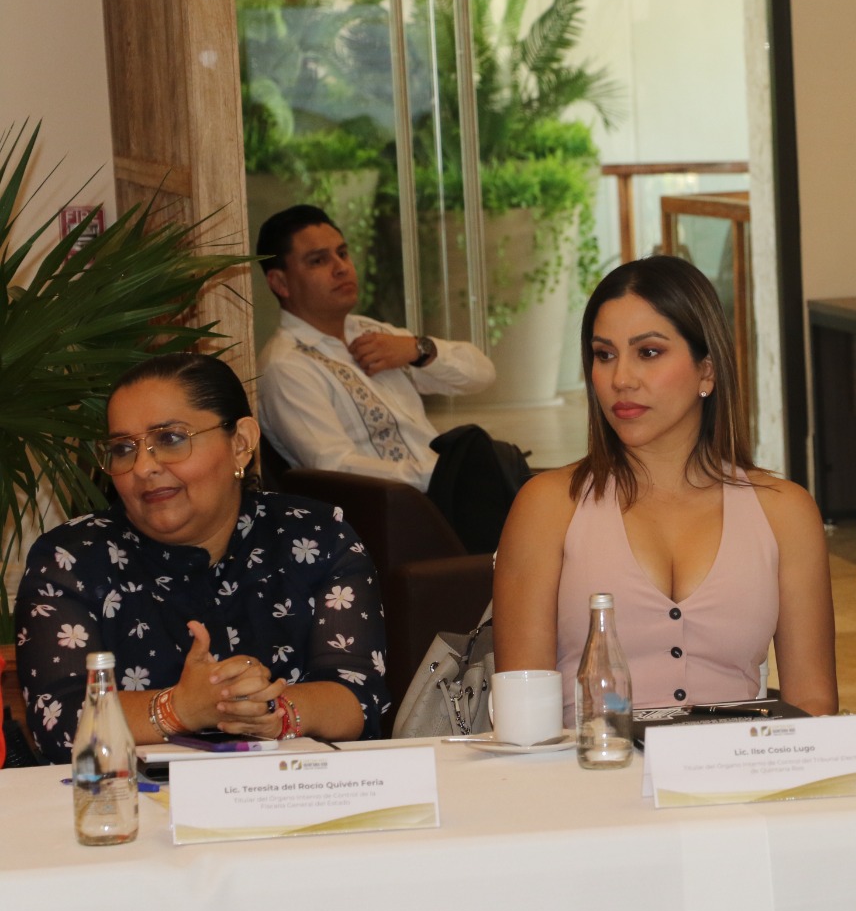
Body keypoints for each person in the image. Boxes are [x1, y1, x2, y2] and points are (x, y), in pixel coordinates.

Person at [492, 256, 838, 721]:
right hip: (587, 763)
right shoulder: (548, 506)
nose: (621, 379)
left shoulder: (785, 511)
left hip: (735, 763)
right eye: (604, 355)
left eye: (649, 352)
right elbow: (523, 715)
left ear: (706, 371)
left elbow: (813, 703)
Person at [14, 353, 388, 763]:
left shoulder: (316, 536)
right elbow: (59, 723)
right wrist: (178, 709)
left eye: (170, 439)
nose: (143, 467)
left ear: (240, 443)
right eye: (123, 448)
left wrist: (273, 712)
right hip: (135, 799)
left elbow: (359, 697)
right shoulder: (71, 559)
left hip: (297, 790)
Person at [255, 204, 526, 554]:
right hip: (393, 519)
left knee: (495, 459)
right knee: (478, 452)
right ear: (280, 282)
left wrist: (417, 349)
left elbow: (481, 375)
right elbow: (333, 467)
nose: (341, 268)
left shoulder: (371, 332)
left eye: (343, 253)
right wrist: (436, 472)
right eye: (318, 260)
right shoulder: (286, 365)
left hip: (446, 498)